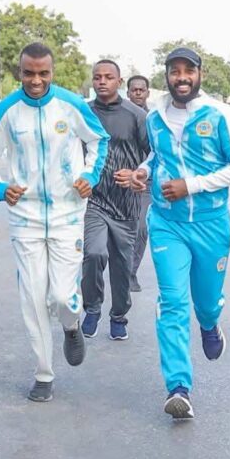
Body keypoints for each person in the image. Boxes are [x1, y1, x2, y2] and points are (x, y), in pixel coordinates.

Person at [0, 42, 109, 402]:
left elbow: (99, 140)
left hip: (68, 214)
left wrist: (90, 175)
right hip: (26, 218)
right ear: (19, 72)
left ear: (52, 72)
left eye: (43, 73)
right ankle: (43, 373)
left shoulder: (70, 104)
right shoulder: (7, 111)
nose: (36, 81)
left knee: (62, 296)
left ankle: (71, 323)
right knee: (33, 298)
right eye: (29, 73)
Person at [129, 47, 230, 421]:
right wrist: (144, 171)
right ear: (166, 75)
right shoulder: (155, 117)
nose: (182, 78)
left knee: (206, 302)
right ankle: (178, 387)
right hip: (167, 222)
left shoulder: (219, 115)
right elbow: (158, 156)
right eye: (175, 71)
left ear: (200, 74)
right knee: (172, 301)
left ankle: (210, 324)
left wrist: (191, 185)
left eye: (189, 71)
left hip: (211, 223)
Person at [81, 60, 152, 342]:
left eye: (108, 77)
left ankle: (119, 316)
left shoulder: (136, 115)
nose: (102, 82)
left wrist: (137, 174)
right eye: (97, 77)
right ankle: (92, 308)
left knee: (122, 266)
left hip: (127, 202)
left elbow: (153, 155)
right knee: (94, 253)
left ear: (119, 82)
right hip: (94, 201)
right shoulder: (83, 113)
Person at [126, 74, 153, 292]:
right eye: (133, 90)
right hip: (121, 181)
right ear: (127, 93)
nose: (137, 93)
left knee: (141, 228)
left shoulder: (155, 120)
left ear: (147, 93)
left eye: (141, 90)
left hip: (146, 183)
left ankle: (130, 273)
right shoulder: (121, 116)